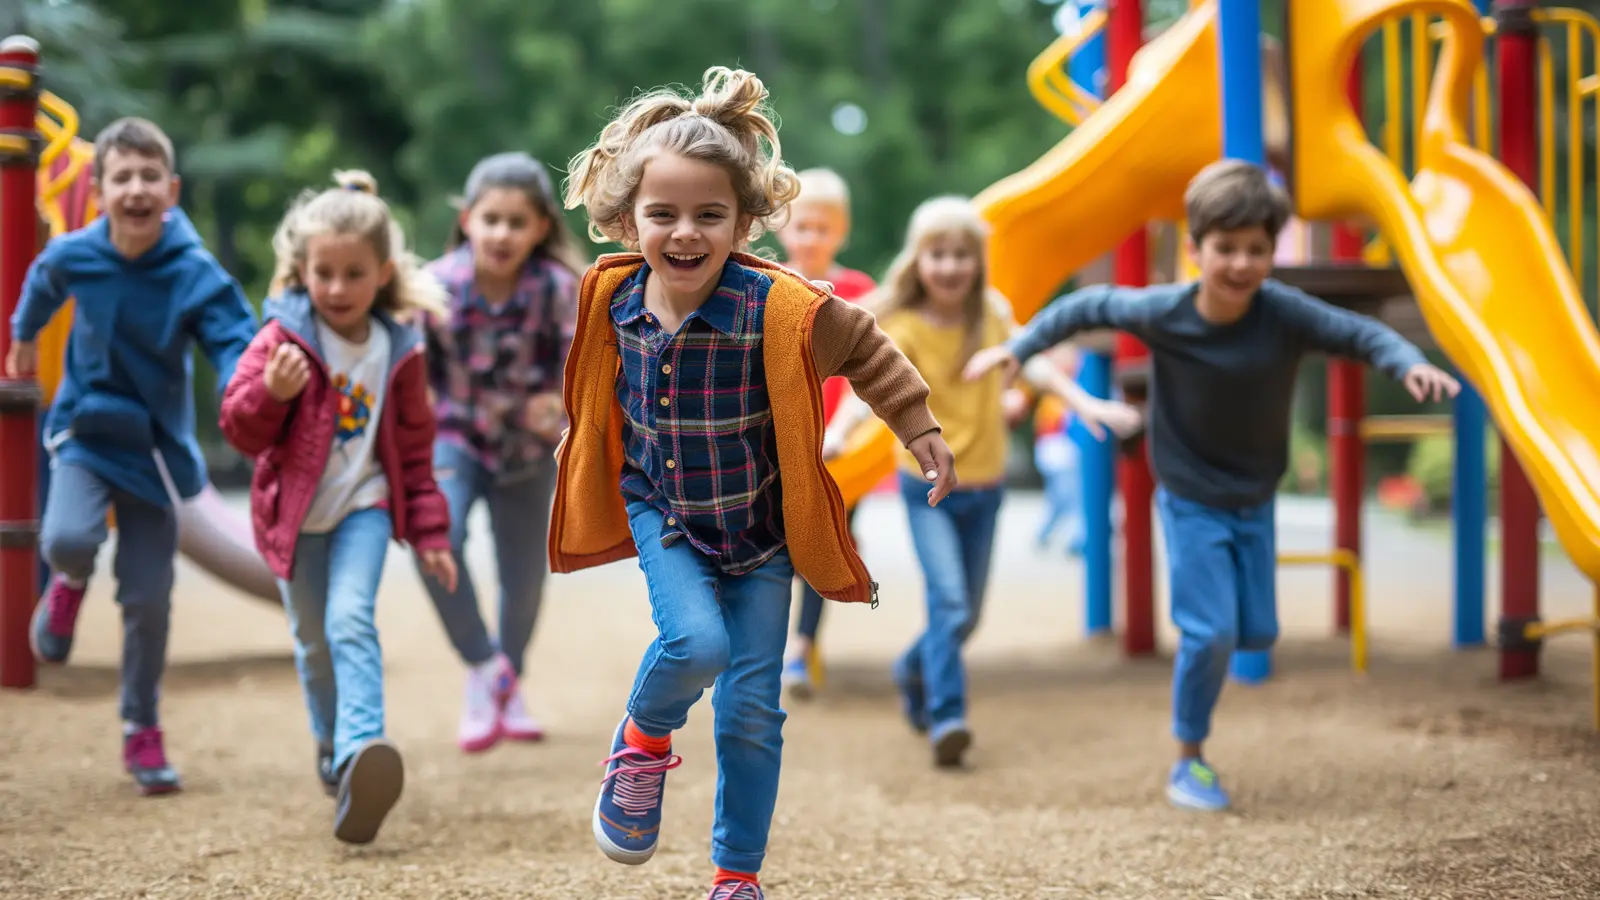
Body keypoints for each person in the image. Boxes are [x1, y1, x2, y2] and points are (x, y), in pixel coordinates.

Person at [550, 66, 956, 900]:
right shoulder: (613, 302)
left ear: (745, 220)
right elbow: (594, 398)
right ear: (629, 219)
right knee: (697, 645)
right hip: (663, 512)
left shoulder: (780, 308)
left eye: (711, 214)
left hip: (761, 534)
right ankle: (643, 740)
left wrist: (918, 427)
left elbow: (872, 350)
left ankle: (737, 876)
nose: (686, 232)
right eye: (663, 214)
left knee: (751, 715)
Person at [964, 159, 1461, 811]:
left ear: (1270, 253)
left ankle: (1209, 664)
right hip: (1191, 493)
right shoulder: (1166, 310)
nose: (1240, 264)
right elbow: (1085, 305)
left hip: (1253, 497)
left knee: (1256, 632)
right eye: (1225, 249)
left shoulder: (1281, 312)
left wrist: (1407, 360)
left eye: (1256, 250)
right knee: (1213, 633)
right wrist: (1020, 349)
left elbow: (1360, 332)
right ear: (1197, 251)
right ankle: (1188, 759)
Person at [824, 196, 1141, 767]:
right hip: (927, 491)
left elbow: (1036, 363)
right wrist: (840, 433)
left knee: (965, 615)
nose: (949, 267)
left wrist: (1086, 403)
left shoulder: (990, 313)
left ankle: (911, 667)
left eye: (960, 256)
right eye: (937, 254)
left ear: (977, 263)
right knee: (948, 601)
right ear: (918, 261)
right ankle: (949, 717)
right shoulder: (904, 324)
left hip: (985, 487)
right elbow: (867, 386)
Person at [5, 117, 258, 796]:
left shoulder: (191, 269)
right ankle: (69, 584)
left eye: (151, 177)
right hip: (86, 436)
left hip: (154, 455)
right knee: (67, 538)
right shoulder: (78, 252)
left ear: (171, 191)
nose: (137, 189)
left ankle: (141, 726)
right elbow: (41, 280)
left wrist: (244, 380)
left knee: (148, 601)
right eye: (123, 177)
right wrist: (24, 337)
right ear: (99, 189)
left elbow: (232, 330)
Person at [218, 170, 457, 844]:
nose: (337, 288)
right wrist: (271, 392)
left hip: (364, 510)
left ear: (382, 273)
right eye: (323, 272)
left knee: (351, 620)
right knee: (313, 644)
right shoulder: (282, 341)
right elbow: (239, 428)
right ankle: (332, 753)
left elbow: (413, 451)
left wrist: (432, 529)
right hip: (294, 518)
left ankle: (360, 748)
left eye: (354, 273)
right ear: (300, 270)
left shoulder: (398, 349)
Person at [415, 151, 585, 753]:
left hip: (528, 454)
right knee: (436, 540)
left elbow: (581, 368)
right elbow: (411, 375)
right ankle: (483, 666)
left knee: (524, 579)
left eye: (518, 222)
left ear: (541, 227)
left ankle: (507, 684)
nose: (502, 234)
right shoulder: (433, 287)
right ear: (466, 219)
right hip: (454, 441)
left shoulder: (560, 289)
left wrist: (558, 405)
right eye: (491, 219)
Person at [772, 166, 876, 699]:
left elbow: (873, 369)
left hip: (839, 450)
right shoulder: (767, 283)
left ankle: (802, 645)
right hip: (779, 446)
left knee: (821, 545)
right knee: (776, 544)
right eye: (801, 226)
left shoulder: (860, 292)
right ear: (780, 226)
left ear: (841, 232)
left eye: (823, 228)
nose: (811, 237)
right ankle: (773, 642)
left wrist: (843, 429)